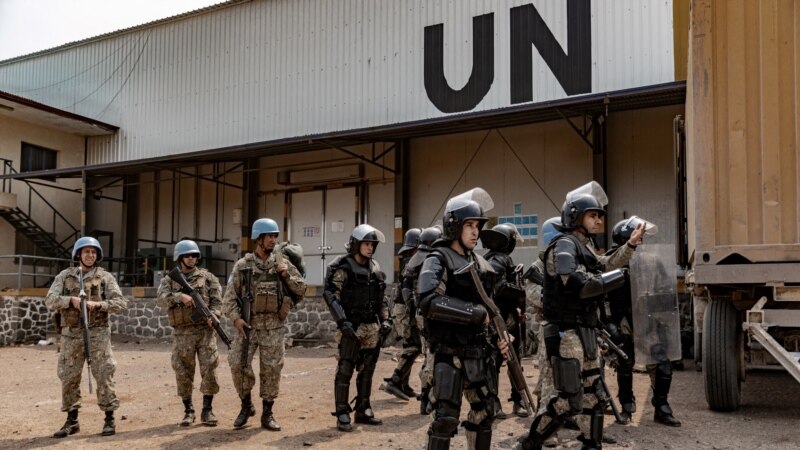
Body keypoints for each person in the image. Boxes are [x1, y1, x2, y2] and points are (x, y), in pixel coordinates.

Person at [517, 182, 644, 450]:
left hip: (584, 332)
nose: (598, 220)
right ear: (576, 217)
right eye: (592, 216)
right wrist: (609, 280)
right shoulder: (565, 245)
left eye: (599, 216)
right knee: (567, 399)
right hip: (566, 334)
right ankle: (531, 442)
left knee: (594, 397)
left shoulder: (584, 248)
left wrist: (630, 246)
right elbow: (574, 281)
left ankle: (591, 443)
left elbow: (606, 263)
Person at [417, 188, 511, 450]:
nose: (475, 232)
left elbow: (490, 309)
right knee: (446, 419)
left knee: (485, 414)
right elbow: (428, 301)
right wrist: (474, 313)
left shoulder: (481, 263)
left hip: (477, 352)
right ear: (454, 226)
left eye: (477, 226)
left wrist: (498, 337)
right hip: (448, 352)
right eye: (468, 225)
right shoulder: (437, 258)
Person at [223, 218, 306, 430]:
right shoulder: (243, 266)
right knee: (237, 365)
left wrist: (287, 275)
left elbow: (302, 290)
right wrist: (236, 319)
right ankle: (246, 405)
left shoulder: (282, 263)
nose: (273, 240)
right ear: (258, 238)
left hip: (273, 327)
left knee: (271, 370)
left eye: (275, 236)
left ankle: (267, 414)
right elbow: (229, 298)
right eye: (269, 236)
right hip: (248, 326)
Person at [45, 236, 127, 438]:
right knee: (69, 376)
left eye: (93, 252)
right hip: (71, 334)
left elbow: (120, 303)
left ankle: (109, 419)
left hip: (98, 334)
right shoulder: (65, 276)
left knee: (104, 374)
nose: (90, 255)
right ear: (78, 255)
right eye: (86, 252)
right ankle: (72, 421)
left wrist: (99, 305)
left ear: (97, 255)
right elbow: (50, 300)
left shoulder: (105, 277)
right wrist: (70, 300)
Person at [606, 217, 681, 427]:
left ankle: (662, 407)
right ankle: (627, 406)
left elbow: (665, 287)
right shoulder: (611, 261)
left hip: (649, 319)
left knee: (663, 363)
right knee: (625, 363)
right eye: (637, 236)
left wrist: (665, 315)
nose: (641, 241)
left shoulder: (651, 260)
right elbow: (599, 295)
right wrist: (608, 325)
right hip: (623, 321)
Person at [324, 224, 391, 432]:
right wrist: (342, 323)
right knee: (345, 368)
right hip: (351, 326)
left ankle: (363, 408)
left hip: (371, 327)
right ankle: (342, 411)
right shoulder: (343, 266)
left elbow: (381, 298)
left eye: (372, 244)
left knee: (367, 370)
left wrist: (386, 320)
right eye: (366, 243)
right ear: (356, 244)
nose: (370, 248)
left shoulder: (375, 267)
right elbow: (330, 294)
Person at [156, 239, 223, 427]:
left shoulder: (208, 278)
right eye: (188, 255)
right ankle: (189, 411)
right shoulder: (169, 280)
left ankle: (207, 411)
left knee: (210, 369)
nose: (192, 258)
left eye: (194, 255)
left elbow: (217, 302)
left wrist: (214, 316)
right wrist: (180, 296)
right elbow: (160, 300)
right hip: (182, 333)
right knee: (183, 371)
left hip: (205, 332)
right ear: (180, 258)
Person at [481, 222, 528, 418]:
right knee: (502, 362)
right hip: (500, 320)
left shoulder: (488, 259)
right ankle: (502, 403)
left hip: (501, 318)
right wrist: (519, 291)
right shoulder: (500, 259)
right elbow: (498, 288)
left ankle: (505, 402)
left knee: (501, 362)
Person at [402, 226, 442, 415]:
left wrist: (412, 307)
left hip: (421, 313)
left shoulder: (415, 261)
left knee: (429, 354)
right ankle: (428, 398)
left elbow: (406, 288)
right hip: (432, 314)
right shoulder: (432, 260)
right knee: (433, 355)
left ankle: (426, 398)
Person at [382, 227, 423, 401]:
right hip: (404, 308)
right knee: (413, 346)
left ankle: (403, 384)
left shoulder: (408, 259)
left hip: (403, 307)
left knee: (411, 345)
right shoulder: (412, 261)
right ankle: (395, 380)